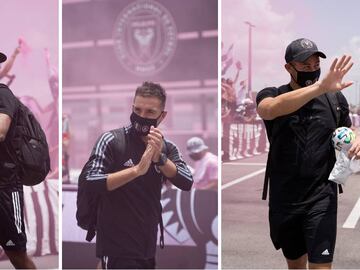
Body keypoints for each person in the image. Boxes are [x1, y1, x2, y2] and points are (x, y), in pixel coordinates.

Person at [256, 38, 360, 269]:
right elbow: (268, 109)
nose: (312, 70)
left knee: (321, 266)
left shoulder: (334, 98)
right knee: (295, 265)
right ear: (288, 68)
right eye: (305, 66)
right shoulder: (272, 93)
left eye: (315, 65)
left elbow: (348, 129)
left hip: (321, 196)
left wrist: (356, 140)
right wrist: (320, 87)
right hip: (285, 198)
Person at [81, 81, 193, 269]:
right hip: (115, 245)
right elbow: (89, 180)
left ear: (162, 116)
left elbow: (186, 181)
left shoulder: (167, 147)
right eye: (138, 109)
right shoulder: (111, 140)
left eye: (150, 112)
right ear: (131, 107)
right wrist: (136, 171)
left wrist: (160, 159)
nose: (142, 116)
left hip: (147, 246)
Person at [0, 51, 36, 269]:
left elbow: (1, 131)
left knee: (16, 255)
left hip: (4, 188)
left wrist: (16, 53)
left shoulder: (2, 94)